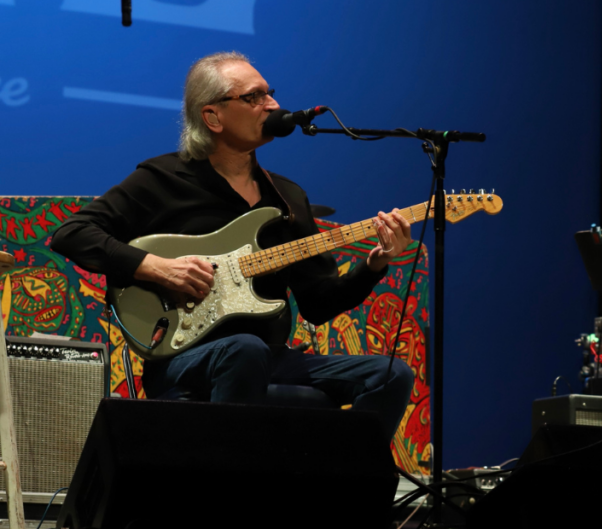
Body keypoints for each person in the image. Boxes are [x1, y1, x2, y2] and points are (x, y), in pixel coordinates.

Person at [51, 52, 415, 438]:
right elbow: (71, 233)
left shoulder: (287, 198)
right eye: (254, 97)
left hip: (268, 356)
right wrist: (155, 267)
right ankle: (229, 491)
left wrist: (375, 265)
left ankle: (344, 491)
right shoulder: (162, 178)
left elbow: (319, 304)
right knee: (244, 349)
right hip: (183, 355)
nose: (273, 105)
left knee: (390, 373)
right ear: (213, 117)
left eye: (270, 94)